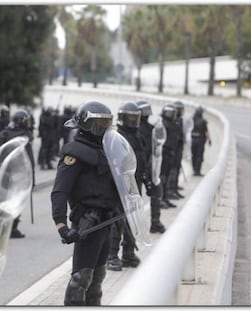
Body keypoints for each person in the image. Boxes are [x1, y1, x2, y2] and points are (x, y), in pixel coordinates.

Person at [51, 100, 120, 306]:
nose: (104, 127)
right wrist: (61, 225)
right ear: (87, 124)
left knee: (97, 279)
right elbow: (59, 191)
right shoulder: (74, 152)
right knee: (80, 279)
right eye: (100, 123)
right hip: (88, 222)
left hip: (106, 221)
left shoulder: (107, 149)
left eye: (106, 123)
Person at [107, 101, 142, 272]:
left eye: (135, 118)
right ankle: (112, 255)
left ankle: (128, 253)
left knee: (132, 221)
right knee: (118, 220)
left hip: (135, 184)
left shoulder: (138, 135)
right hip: (121, 185)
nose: (133, 121)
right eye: (130, 118)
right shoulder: (117, 138)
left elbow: (143, 158)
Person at [0, 109, 35, 239]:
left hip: (5, 172)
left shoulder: (4, 134)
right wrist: (32, 177)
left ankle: (4, 227)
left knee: (5, 200)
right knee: (17, 200)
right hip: (20, 173)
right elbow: (29, 158)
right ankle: (12, 228)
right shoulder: (26, 136)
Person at [136, 100, 166, 234]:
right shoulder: (137, 129)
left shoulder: (150, 128)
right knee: (136, 201)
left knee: (154, 193)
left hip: (144, 167)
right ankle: (154, 223)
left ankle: (155, 223)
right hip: (140, 168)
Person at [160, 104, 179, 208]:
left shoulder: (173, 124)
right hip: (163, 154)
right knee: (162, 177)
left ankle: (165, 198)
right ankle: (160, 199)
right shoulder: (162, 124)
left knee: (167, 177)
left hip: (170, 153)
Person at [168, 101, 185, 200]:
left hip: (178, 148)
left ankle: (174, 187)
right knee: (172, 170)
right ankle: (170, 189)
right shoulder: (172, 122)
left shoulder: (180, 120)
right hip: (173, 150)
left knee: (177, 169)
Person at [191, 106, 211, 176]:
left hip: (192, 140)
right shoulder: (203, 121)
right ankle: (197, 171)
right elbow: (206, 132)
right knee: (199, 156)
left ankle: (194, 170)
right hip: (200, 141)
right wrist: (209, 140)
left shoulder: (192, 120)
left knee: (194, 155)